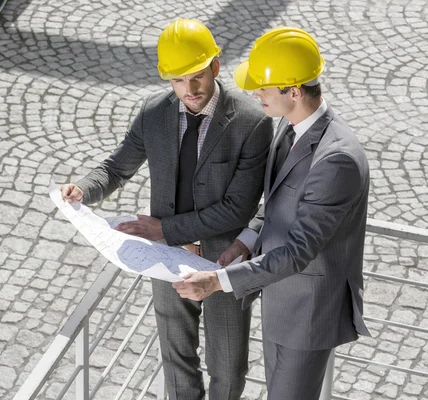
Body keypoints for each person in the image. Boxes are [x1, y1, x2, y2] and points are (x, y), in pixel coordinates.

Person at [61, 18, 273, 400]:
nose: (189, 90)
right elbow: (115, 168)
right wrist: (82, 189)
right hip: (166, 260)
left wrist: (162, 230)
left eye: (196, 77)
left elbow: (237, 209)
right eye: (177, 80)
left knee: (227, 367)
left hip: (222, 263)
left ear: (215, 67)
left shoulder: (252, 122)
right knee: (176, 361)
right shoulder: (154, 112)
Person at [173, 27, 372, 400]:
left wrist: (217, 281)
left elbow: (298, 251)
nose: (254, 94)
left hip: (307, 313)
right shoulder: (289, 127)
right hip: (281, 298)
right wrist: (246, 241)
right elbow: (278, 205)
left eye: (263, 88)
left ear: (293, 91)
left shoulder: (336, 160)